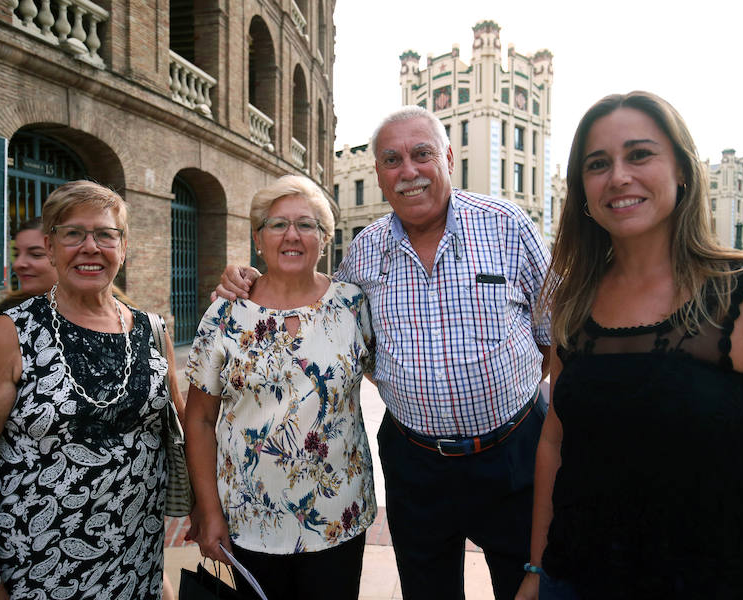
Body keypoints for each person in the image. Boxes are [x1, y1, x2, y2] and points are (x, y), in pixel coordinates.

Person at [217, 106, 552, 599]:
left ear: (449, 159)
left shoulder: (508, 227)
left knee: (527, 588)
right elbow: (336, 331)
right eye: (392, 160)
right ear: (377, 174)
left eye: (422, 155)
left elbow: (554, 336)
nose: (408, 171)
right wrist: (247, 280)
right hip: (416, 464)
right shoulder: (364, 253)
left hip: (512, 456)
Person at [515, 91, 743, 599]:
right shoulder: (573, 300)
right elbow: (556, 442)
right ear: (581, 189)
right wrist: (536, 572)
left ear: (683, 171)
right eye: (597, 164)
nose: (619, 175)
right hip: (573, 582)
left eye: (639, 154)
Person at [0, 180, 183, 599]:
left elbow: (184, 430)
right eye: (73, 233)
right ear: (52, 247)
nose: (91, 246)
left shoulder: (151, 330)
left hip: (136, 566)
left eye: (106, 234)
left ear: (123, 248)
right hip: (36, 574)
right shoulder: (11, 335)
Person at [184, 175, 376, 599]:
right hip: (249, 518)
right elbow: (198, 417)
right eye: (278, 224)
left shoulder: (352, 305)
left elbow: (393, 375)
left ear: (324, 239)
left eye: (306, 224)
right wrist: (208, 510)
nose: (293, 235)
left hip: (337, 517)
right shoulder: (225, 313)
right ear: (258, 237)